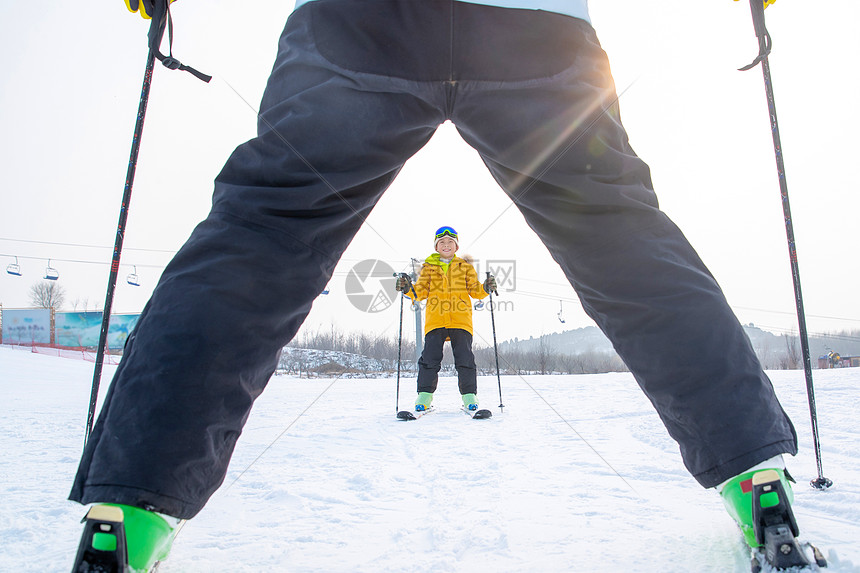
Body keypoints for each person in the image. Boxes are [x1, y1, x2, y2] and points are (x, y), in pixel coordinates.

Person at [72, 0, 809, 570]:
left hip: (354, 32)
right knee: (620, 235)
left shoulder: (453, 263)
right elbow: (419, 287)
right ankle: (755, 478)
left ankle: (128, 514)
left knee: (263, 233)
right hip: (535, 32)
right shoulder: (434, 264)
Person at [395, 226, 496, 412]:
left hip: (461, 320)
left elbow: (475, 291)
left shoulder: (465, 267)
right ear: (436, 247)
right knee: (429, 359)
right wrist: (408, 288)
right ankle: (424, 396)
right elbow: (421, 292)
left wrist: (486, 287)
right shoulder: (428, 268)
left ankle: (469, 396)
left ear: (456, 247)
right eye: (442, 242)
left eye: (450, 242)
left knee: (465, 358)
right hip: (436, 320)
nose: (446, 245)